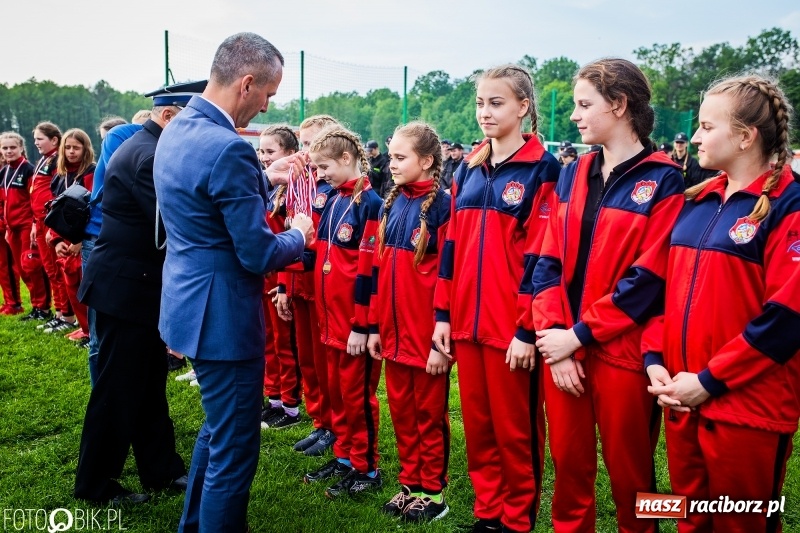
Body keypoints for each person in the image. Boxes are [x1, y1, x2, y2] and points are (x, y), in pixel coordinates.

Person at [152, 33, 313, 533]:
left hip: (188, 303)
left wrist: (269, 178)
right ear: (246, 83)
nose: (268, 104)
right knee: (235, 448)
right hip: (222, 316)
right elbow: (259, 252)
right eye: (268, 94)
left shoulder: (180, 128)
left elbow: (207, 199)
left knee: (217, 432)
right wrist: (300, 234)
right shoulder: (228, 148)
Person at [531, 58, 685, 533]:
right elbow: (547, 261)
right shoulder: (572, 172)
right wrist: (556, 340)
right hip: (563, 348)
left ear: (619, 105)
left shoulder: (664, 179)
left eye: (584, 104)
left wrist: (577, 336)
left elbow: (649, 280)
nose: (574, 116)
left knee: (633, 474)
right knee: (569, 466)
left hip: (622, 353)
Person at [647, 75, 800, 533]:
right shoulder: (697, 201)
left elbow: (787, 318)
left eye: (706, 127)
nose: (694, 137)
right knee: (690, 519)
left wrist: (711, 381)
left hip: (746, 410)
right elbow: (663, 292)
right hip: (682, 396)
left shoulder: (790, 205)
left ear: (745, 136)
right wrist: (656, 357)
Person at [432, 64, 560, 533]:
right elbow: (451, 247)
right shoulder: (467, 167)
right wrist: (443, 313)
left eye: (497, 102)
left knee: (516, 431)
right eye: (481, 102)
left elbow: (543, 256)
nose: (485, 112)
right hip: (465, 323)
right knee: (479, 428)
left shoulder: (545, 169)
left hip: (511, 330)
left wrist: (527, 329)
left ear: (523, 107)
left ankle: (517, 519)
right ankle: (487, 512)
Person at [73, 80, 206, 505]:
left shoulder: (149, 147)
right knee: (117, 389)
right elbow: (179, 224)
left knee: (148, 384)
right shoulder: (148, 156)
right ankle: (96, 486)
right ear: (169, 116)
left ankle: (161, 469)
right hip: (126, 290)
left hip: (137, 289)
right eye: (192, 121)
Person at [367, 121, 451, 522]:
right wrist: (377, 328)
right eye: (392, 155)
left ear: (427, 161)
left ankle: (433, 493)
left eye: (400, 157)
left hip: (427, 339)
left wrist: (440, 341)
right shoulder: (394, 201)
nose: (392, 164)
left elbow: (450, 277)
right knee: (401, 411)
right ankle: (410, 484)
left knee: (428, 415)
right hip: (393, 336)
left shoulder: (444, 207)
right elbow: (382, 274)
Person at [302, 125, 384, 499]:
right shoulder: (334, 200)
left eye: (324, 167)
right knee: (337, 392)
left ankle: (367, 468)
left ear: (347, 159)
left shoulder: (371, 205)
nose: (320, 176)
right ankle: (345, 456)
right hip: (328, 322)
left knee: (357, 396)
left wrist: (360, 325)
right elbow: (320, 255)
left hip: (354, 326)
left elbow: (369, 271)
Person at [274, 114, 340, 456]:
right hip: (299, 282)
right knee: (309, 362)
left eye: (315, 143)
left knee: (328, 363)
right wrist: (284, 285)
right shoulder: (299, 184)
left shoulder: (335, 190)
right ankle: (320, 422)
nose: (307, 152)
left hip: (323, 289)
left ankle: (335, 426)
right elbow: (291, 236)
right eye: (304, 143)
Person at [83, 118, 144, 383]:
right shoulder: (120, 137)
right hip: (101, 239)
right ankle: (103, 395)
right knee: (101, 329)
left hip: (127, 245)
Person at [257, 125, 303, 430]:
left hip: (279, 278)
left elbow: (295, 239)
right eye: (261, 151)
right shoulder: (265, 186)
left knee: (285, 344)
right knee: (267, 341)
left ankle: (289, 406)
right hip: (261, 274)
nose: (263, 157)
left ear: (289, 154)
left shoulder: (297, 191)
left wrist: (284, 281)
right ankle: (272, 398)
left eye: (270, 151)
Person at [46, 129, 96, 343]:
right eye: (67, 147)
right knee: (71, 284)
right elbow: (53, 209)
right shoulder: (60, 176)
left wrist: (79, 241)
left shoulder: (90, 172)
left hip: (82, 240)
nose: (71, 151)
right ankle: (84, 329)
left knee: (86, 286)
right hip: (64, 240)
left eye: (76, 147)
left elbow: (93, 209)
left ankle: (93, 332)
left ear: (86, 149)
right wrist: (56, 239)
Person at [0, 132, 49, 318]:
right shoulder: (4, 172)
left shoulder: (28, 169)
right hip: (11, 228)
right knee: (21, 269)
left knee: (32, 266)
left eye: (13, 147)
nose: (9, 151)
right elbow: (3, 202)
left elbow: (33, 199)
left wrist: (35, 224)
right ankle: (33, 306)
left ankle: (42, 307)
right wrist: (5, 226)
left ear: (21, 148)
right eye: (5, 148)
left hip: (26, 227)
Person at [30, 123, 66, 326]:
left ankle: (64, 314)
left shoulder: (57, 161)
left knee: (57, 268)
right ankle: (59, 311)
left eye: (40, 138)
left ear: (54, 140)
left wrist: (50, 222)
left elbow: (57, 193)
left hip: (51, 221)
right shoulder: (43, 160)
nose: (36, 143)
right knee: (49, 269)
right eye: (35, 139)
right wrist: (35, 223)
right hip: (40, 221)